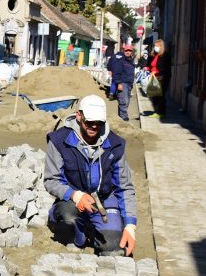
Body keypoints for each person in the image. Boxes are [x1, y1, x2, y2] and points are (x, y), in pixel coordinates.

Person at [43, 94, 137, 256]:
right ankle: (78, 235)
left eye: (98, 123)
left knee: (113, 246)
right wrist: (74, 195)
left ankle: (97, 227)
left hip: (104, 200)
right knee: (68, 218)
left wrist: (130, 225)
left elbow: (124, 187)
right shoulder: (59, 141)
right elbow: (51, 180)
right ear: (79, 116)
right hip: (72, 201)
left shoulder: (115, 145)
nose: (94, 126)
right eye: (89, 122)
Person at [111, 44, 135, 121]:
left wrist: (131, 84)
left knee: (127, 101)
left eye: (130, 51)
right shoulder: (121, 60)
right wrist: (119, 83)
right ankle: (123, 117)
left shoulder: (131, 61)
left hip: (129, 84)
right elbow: (116, 73)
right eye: (127, 50)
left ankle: (121, 114)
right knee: (123, 101)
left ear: (131, 52)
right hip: (122, 83)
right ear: (124, 51)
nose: (128, 52)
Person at [149, 39, 170, 118]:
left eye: (157, 46)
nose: (155, 47)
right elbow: (151, 65)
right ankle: (156, 111)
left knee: (160, 95)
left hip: (162, 78)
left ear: (161, 46)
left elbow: (165, 68)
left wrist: (157, 72)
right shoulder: (154, 55)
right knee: (154, 95)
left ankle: (161, 112)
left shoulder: (165, 55)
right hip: (154, 77)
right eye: (155, 46)